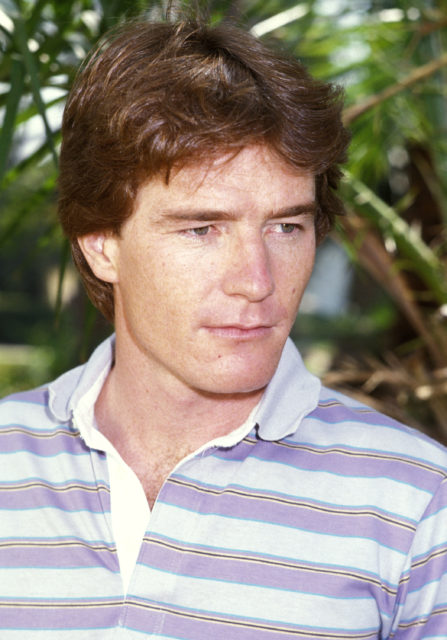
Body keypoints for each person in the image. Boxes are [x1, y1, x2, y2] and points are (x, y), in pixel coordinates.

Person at [1, 16, 447, 640]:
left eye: (286, 226)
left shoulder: (418, 505)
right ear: (102, 244)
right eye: (202, 228)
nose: (257, 279)